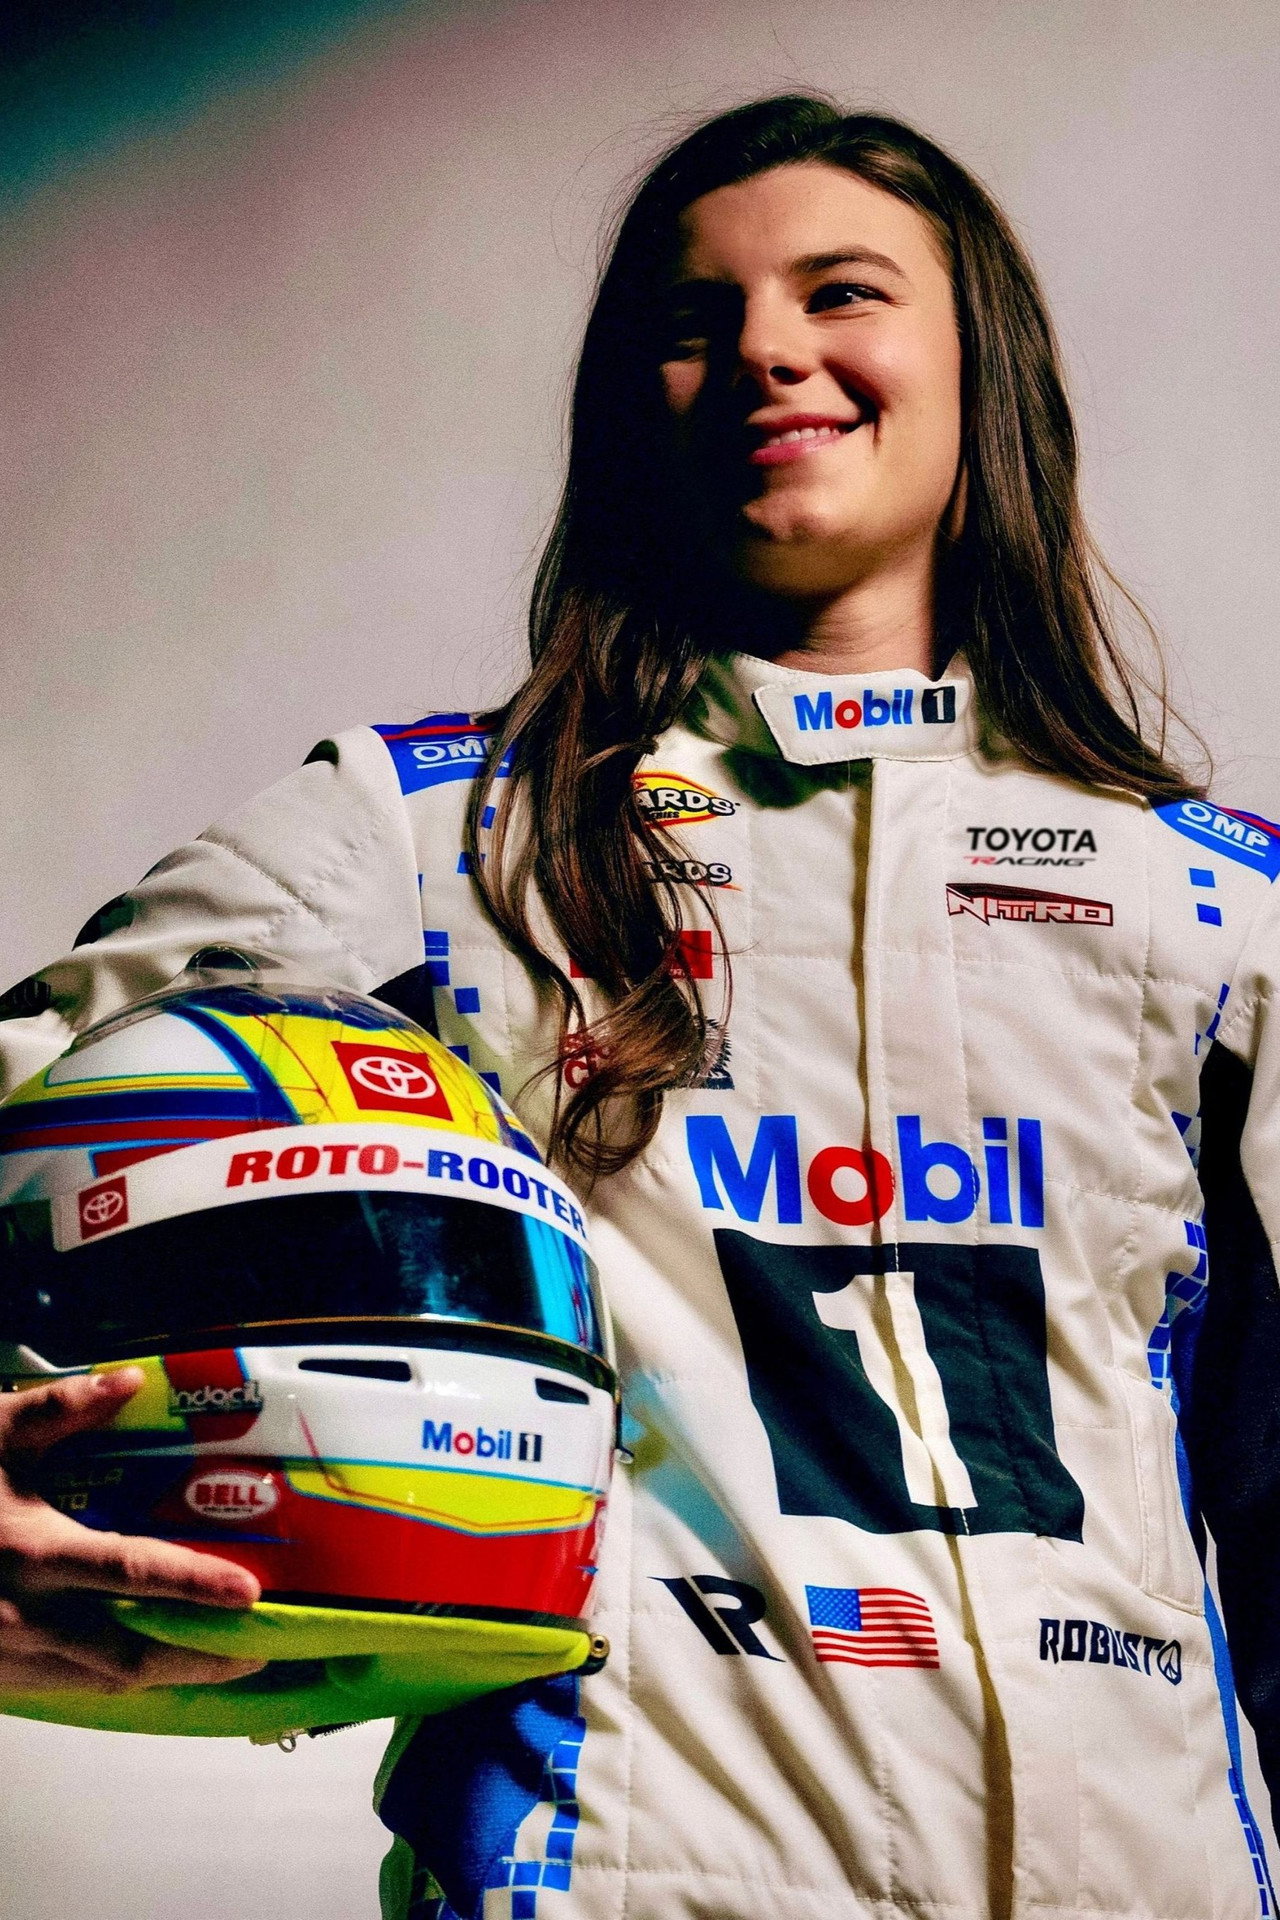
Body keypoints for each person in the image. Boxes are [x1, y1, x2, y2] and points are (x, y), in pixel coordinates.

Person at [2, 91, 1279, 1920]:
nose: (766, 346)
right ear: (630, 413)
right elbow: (39, 1119)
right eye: (695, 320)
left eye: (841, 292)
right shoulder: (437, 835)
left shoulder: (1214, 910)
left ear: (981, 369)